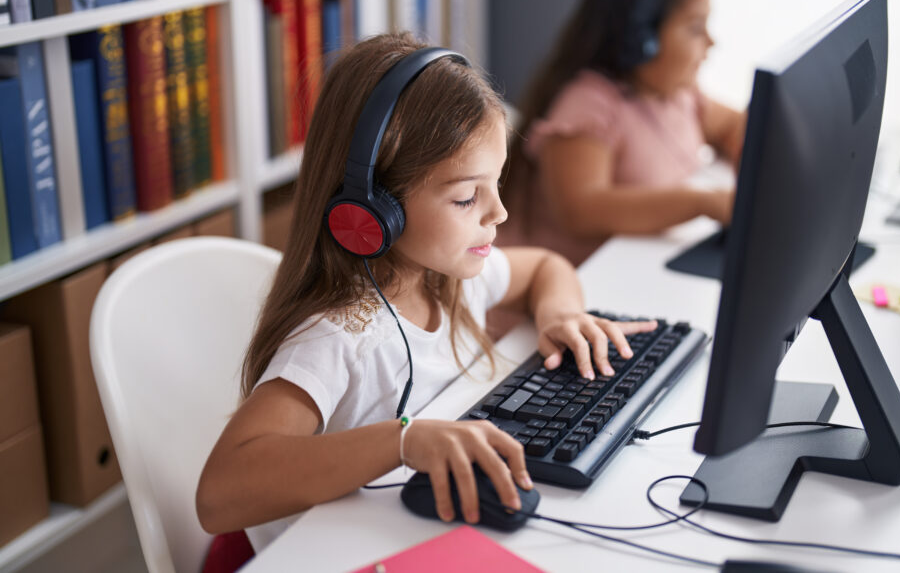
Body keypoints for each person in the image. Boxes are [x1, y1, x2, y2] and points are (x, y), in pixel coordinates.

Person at [195, 33, 656, 551]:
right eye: (465, 198)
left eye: (497, 183)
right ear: (374, 211)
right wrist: (405, 441)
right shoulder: (341, 335)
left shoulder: (450, 280)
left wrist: (559, 315)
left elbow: (546, 267)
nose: (498, 213)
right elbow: (219, 494)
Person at [500, 0, 746, 267]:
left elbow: (734, 125)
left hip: (631, 271)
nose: (711, 42)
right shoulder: (590, 105)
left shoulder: (680, 96)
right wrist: (703, 202)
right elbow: (581, 209)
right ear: (642, 39)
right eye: (695, 28)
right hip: (560, 290)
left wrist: (748, 171)